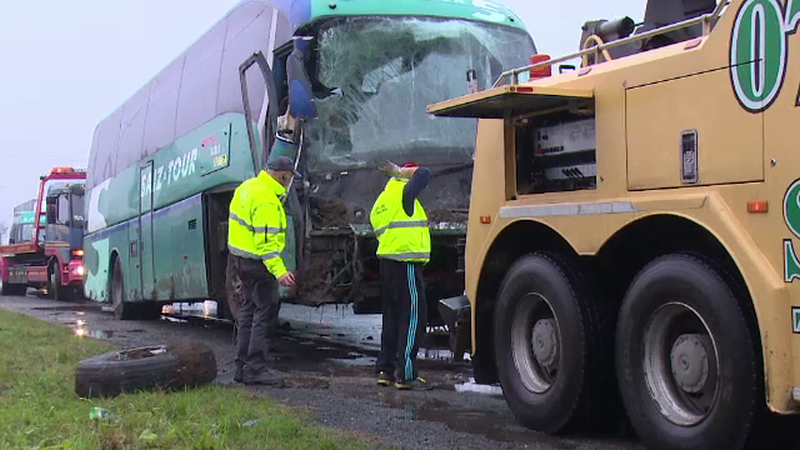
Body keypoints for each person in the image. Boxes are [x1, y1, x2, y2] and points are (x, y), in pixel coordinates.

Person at [228, 155, 298, 385]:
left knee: (248, 310)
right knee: (263, 311)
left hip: (241, 260)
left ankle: (241, 366)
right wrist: (280, 272)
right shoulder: (267, 200)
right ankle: (255, 367)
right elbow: (266, 245)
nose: (289, 183)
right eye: (289, 178)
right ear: (282, 175)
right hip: (258, 264)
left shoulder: (247, 187)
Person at [371, 161, 432, 390]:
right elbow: (425, 173)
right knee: (413, 318)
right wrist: (404, 171)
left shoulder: (382, 201)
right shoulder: (404, 194)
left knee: (392, 318)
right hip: (405, 264)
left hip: (387, 264)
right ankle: (406, 374)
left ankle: (386, 370)